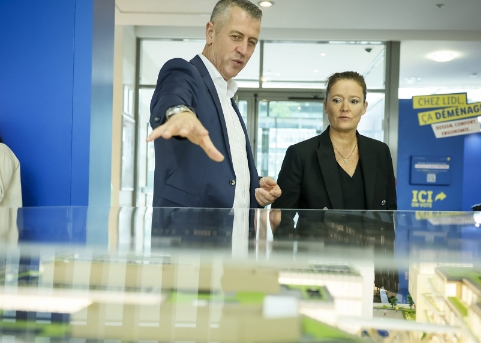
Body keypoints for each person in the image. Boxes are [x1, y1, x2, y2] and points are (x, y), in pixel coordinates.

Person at [146, 0, 281, 209]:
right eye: (236, 36)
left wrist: (254, 188)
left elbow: (223, 179)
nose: (243, 50)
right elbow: (173, 97)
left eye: (252, 42)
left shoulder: (228, 99)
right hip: (189, 237)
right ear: (211, 32)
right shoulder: (184, 73)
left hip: (235, 237)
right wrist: (180, 114)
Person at [272, 71, 397, 211]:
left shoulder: (380, 152)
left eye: (354, 101)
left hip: (370, 233)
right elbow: (281, 217)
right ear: (325, 106)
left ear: (364, 108)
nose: (345, 108)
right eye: (337, 100)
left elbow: (390, 212)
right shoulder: (301, 154)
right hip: (317, 234)